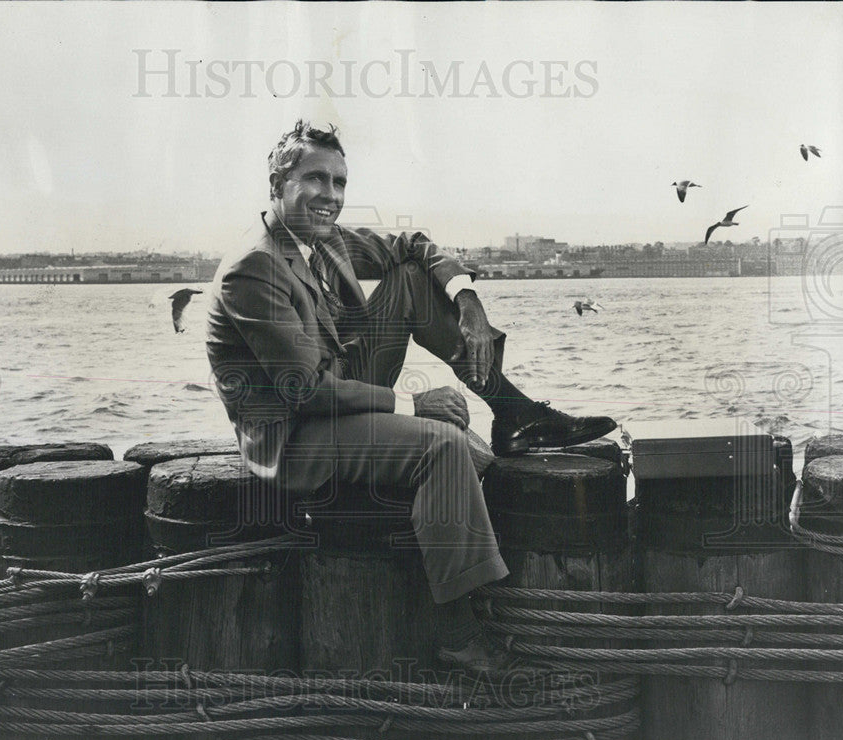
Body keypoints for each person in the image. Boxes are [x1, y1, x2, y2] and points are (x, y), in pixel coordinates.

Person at [206, 119, 617, 672]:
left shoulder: (321, 240)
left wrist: (468, 300)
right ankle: (459, 633)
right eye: (316, 180)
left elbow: (412, 245)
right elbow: (305, 390)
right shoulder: (253, 267)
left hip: (335, 390)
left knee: (411, 278)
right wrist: (411, 405)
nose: (331, 196)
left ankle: (515, 413)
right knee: (441, 446)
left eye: (340, 183)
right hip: (296, 433)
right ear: (278, 183)